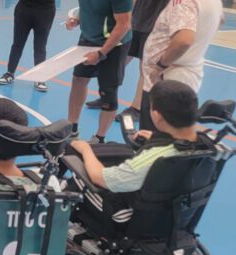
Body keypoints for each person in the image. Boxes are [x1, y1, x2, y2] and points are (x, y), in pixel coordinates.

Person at [138, 0, 223, 131]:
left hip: (167, 82)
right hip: (188, 77)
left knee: (154, 141)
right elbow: (219, 22)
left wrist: (160, 65)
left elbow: (184, 40)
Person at [110, 0, 189, 122]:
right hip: (135, 23)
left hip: (157, 29)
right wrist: (125, 16)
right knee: (116, 61)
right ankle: (108, 97)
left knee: (146, 69)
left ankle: (136, 108)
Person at [70, 80, 203, 194]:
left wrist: (85, 149)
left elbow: (100, 178)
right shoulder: (207, 146)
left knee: (75, 164)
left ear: (156, 116)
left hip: (124, 214)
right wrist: (158, 139)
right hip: (174, 209)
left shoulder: (153, 159)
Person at [65, 0, 133, 143]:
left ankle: (100, 138)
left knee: (108, 92)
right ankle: (72, 127)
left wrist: (102, 52)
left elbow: (124, 24)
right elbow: (91, 6)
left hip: (113, 44)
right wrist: (78, 20)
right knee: (78, 80)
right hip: (87, 39)